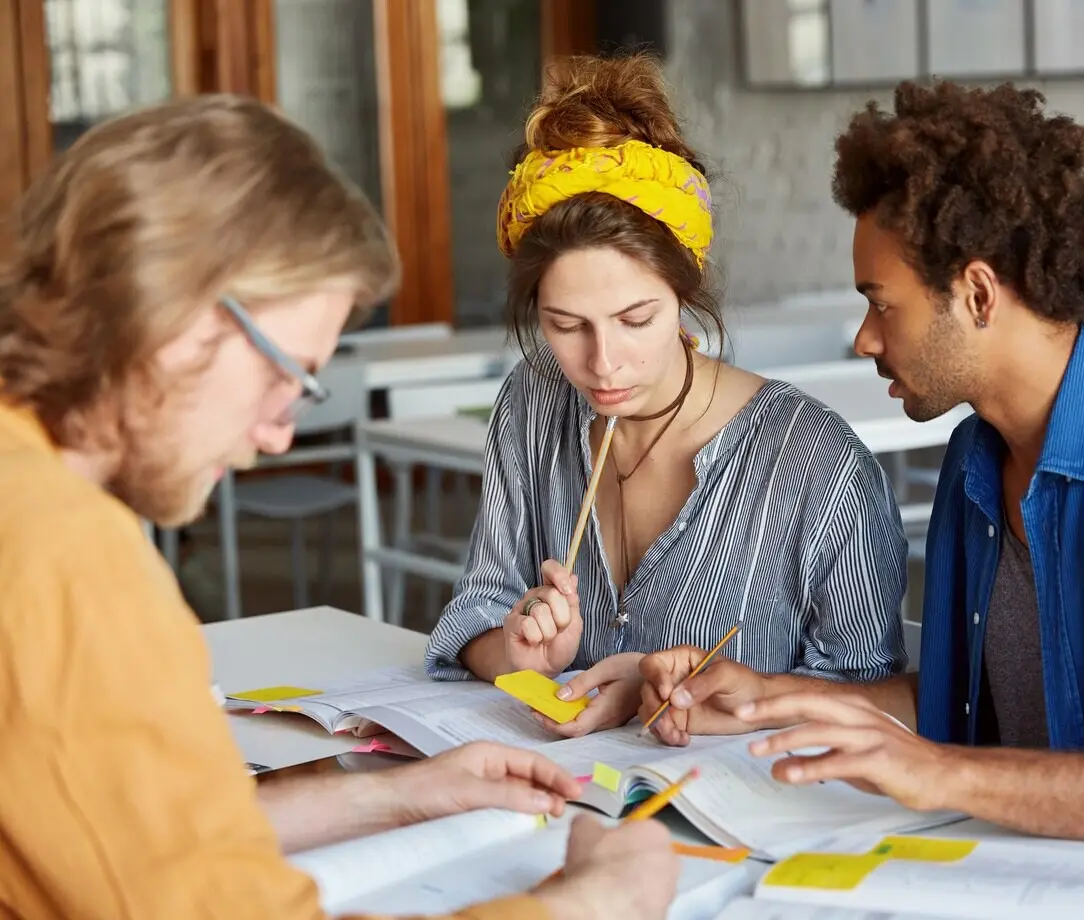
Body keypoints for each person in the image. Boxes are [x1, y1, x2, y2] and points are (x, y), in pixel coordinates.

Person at [636, 80, 1084, 888]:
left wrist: (937, 773)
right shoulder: (978, 457)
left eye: (880, 305)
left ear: (975, 294)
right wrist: (769, 699)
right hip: (1048, 880)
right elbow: (984, 700)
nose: (864, 339)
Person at [0, 93, 677, 920]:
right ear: (184, 321)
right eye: (289, 375)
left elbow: (135, 837)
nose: (279, 433)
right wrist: (595, 902)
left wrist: (395, 796)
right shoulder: (68, 563)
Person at [423, 53, 908, 737]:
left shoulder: (817, 465)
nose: (603, 362)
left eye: (635, 319)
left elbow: (872, 694)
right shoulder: (533, 404)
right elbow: (479, 608)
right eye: (565, 326)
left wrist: (660, 691)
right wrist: (521, 654)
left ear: (684, 293)